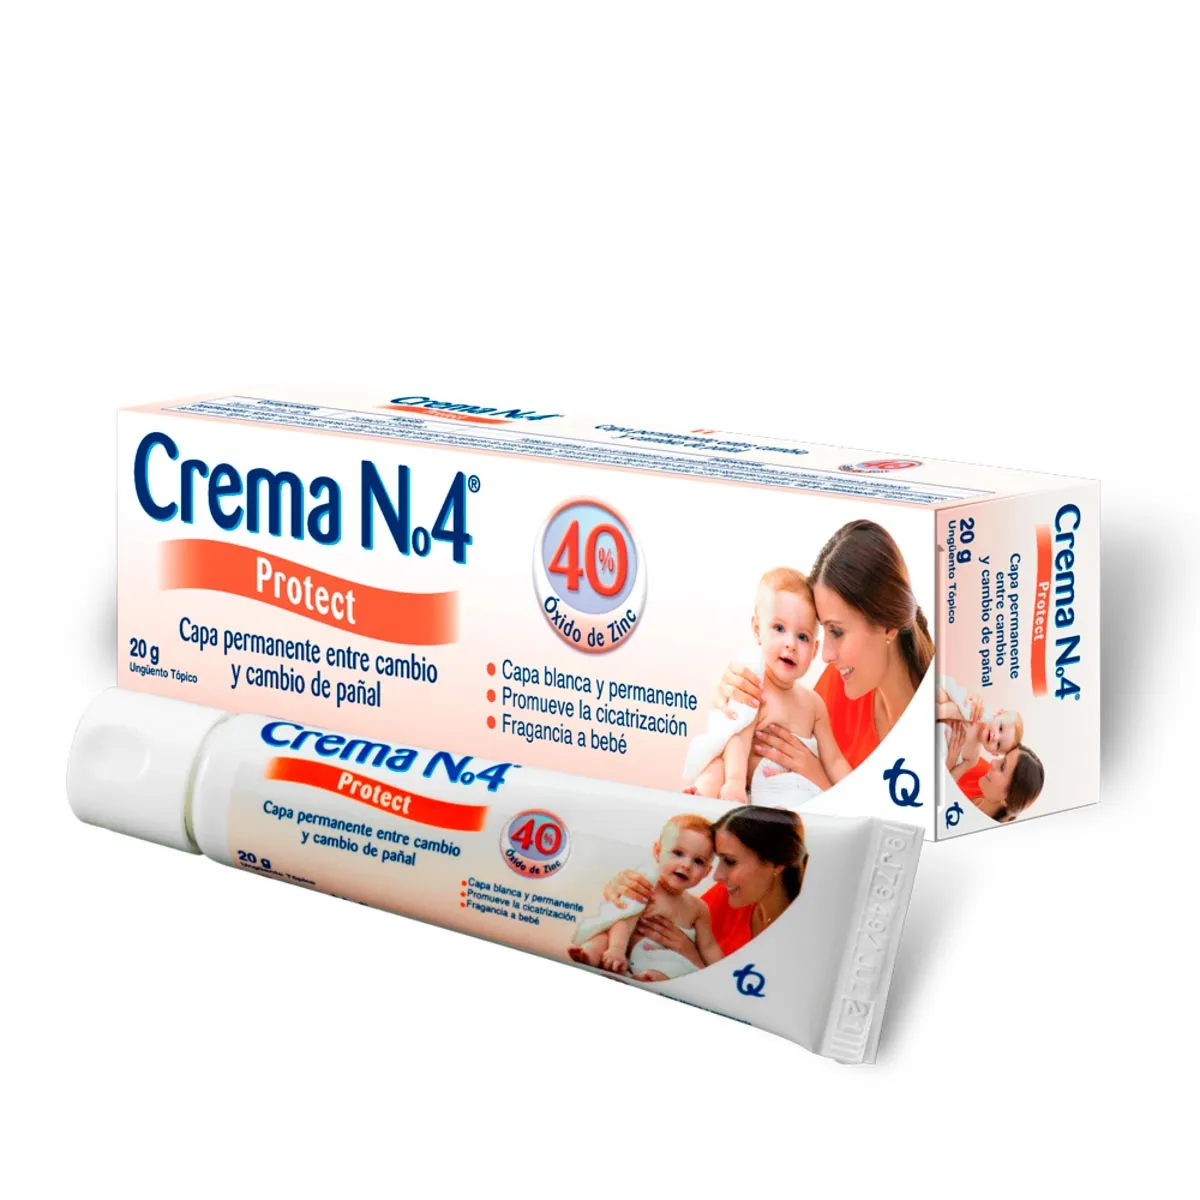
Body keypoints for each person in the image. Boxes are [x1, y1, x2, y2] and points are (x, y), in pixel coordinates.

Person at [712, 520, 933, 784]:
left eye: (837, 631)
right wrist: (732, 701)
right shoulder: (837, 685)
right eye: (823, 630)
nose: (826, 655)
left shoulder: (949, 729)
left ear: (888, 626)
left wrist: (818, 779)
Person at [682, 568, 850, 805]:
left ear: (814, 650)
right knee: (715, 766)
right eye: (779, 628)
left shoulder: (814, 704)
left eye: (802, 637)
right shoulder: (752, 683)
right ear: (757, 629)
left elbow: (834, 761)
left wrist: (853, 793)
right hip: (740, 780)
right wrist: (734, 782)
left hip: (785, 788)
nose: (791, 644)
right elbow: (738, 735)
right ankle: (701, 797)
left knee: (801, 794)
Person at [600, 806, 808, 968]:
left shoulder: (802, 939)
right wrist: (622, 888)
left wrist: (691, 956)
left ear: (776, 864)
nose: (717, 876)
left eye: (730, 861)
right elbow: (669, 906)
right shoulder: (727, 895)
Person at [568, 814, 722, 981]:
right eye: (678, 853)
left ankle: (648, 978)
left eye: (698, 861)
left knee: (676, 967)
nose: (686, 865)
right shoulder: (646, 883)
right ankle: (589, 955)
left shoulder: (698, 907)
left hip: (658, 959)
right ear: (657, 852)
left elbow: (708, 946)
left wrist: (723, 972)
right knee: (601, 937)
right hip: (619, 945)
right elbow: (624, 916)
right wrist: (617, 949)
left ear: (706, 872)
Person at [946, 722, 1045, 823]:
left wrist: (947, 768)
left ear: (1007, 800)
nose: (993, 762)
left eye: (1002, 767)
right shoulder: (982, 771)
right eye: (1003, 759)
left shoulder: (976, 827)